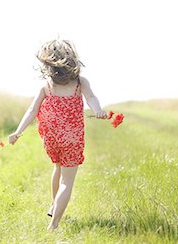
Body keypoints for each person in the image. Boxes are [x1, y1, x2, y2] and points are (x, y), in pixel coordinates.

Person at [8, 39, 107, 230]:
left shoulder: (47, 86)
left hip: (52, 138)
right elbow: (91, 98)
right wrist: (97, 110)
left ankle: (54, 206)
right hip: (72, 139)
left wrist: (18, 132)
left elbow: (32, 110)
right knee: (67, 181)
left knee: (58, 167)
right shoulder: (80, 83)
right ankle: (53, 225)